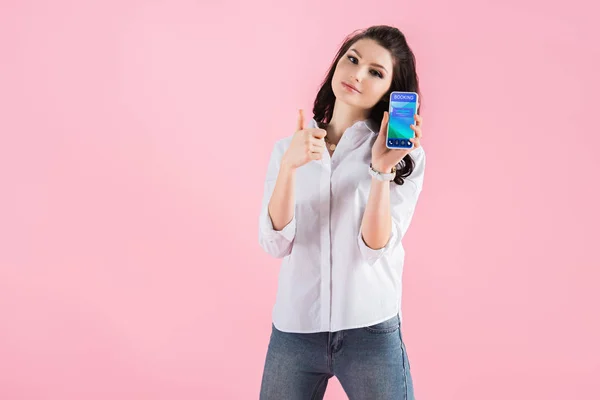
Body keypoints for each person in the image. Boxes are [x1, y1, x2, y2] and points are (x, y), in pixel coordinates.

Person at [258, 25, 425, 400]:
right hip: (295, 329)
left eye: (376, 72)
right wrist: (289, 167)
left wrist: (381, 169)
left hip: (369, 331)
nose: (357, 74)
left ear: (392, 92)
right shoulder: (290, 147)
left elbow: (374, 248)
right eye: (352, 59)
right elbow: (274, 243)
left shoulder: (406, 157)